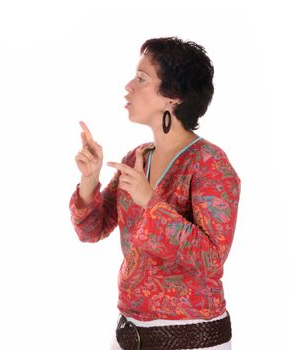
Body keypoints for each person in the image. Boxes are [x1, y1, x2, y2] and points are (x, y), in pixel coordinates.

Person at [70, 37, 240, 350]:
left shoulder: (209, 163)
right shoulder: (136, 158)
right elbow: (91, 230)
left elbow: (211, 260)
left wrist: (150, 202)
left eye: (141, 78)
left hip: (193, 338)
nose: (128, 86)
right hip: (129, 333)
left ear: (172, 96)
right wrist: (90, 179)